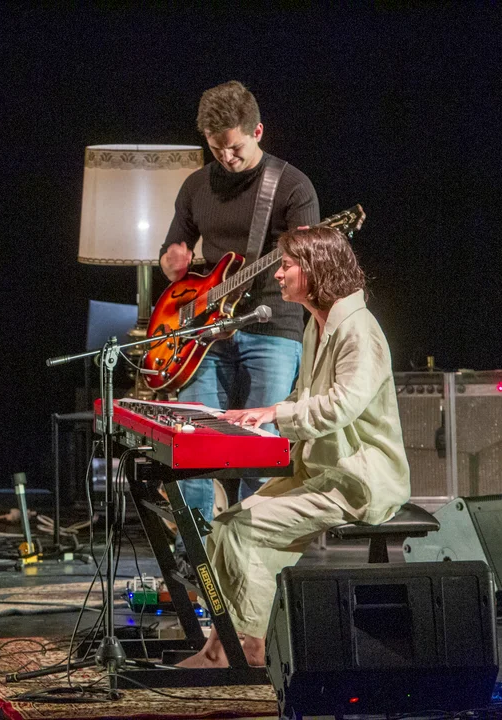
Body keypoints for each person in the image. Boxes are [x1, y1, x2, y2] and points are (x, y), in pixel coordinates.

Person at [177, 226, 411, 668]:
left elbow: (340, 405)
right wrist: (256, 416)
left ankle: (246, 649)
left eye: (286, 266)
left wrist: (274, 415)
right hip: (320, 469)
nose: (278, 275)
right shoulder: (316, 325)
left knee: (244, 529)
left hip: (357, 480)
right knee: (225, 525)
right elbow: (305, 396)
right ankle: (225, 646)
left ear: (315, 269)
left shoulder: (359, 330)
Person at [159, 80, 319, 521]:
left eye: (235, 148)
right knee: (192, 443)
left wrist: (303, 257)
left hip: (272, 326)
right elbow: (172, 254)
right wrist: (171, 261)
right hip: (206, 332)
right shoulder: (196, 185)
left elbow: (309, 266)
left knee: (259, 451)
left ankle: (251, 547)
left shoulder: (292, 187)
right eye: (217, 149)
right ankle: (196, 549)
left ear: (258, 132)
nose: (227, 158)